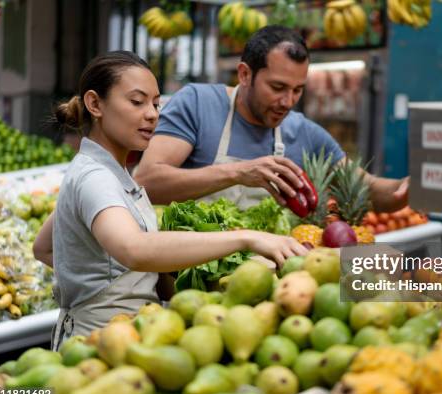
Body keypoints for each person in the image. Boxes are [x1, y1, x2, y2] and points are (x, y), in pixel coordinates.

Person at [32, 51, 307, 350]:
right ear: (95, 104)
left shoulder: (110, 174)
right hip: (99, 345)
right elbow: (134, 249)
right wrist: (246, 239)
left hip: (132, 334)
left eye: (155, 103)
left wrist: (109, 279)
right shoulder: (95, 178)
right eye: (137, 102)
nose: (152, 114)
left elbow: (44, 247)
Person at [134, 25, 409, 211]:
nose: (288, 102)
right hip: (190, 280)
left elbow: (370, 189)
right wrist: (239, 173)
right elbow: (148, 182)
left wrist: (414, 187)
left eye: (297, 90)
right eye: (277, 88)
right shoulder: (198, 103)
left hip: (275, 286)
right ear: (245, 74)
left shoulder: (305, 134)